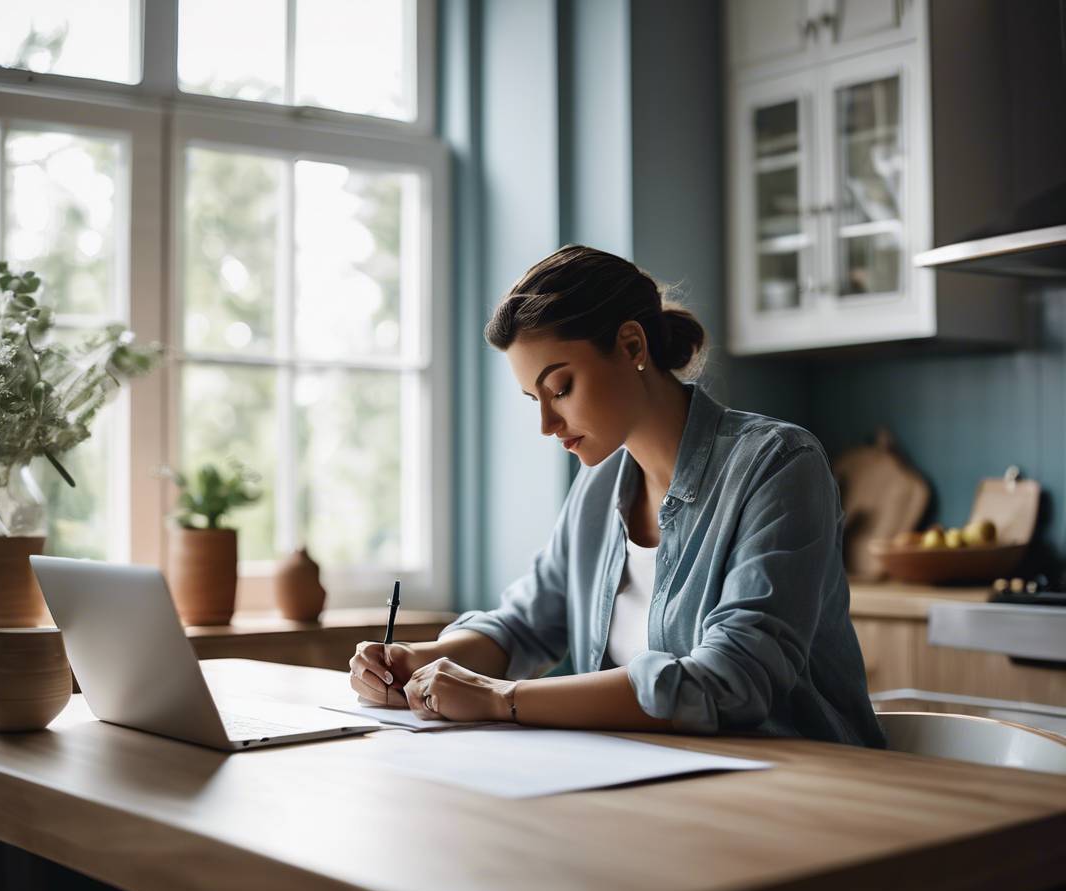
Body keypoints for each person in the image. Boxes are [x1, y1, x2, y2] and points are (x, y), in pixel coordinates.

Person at [349, 245, 885, 747]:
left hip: (797, 789)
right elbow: (524, 625)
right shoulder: (599, 485)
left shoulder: (778, 464)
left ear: (632, 346)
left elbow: (730, 680)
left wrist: (500, 698)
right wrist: (420, 660)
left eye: (560, 389)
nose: (546, 423)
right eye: (533, 398)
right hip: (651, 785)